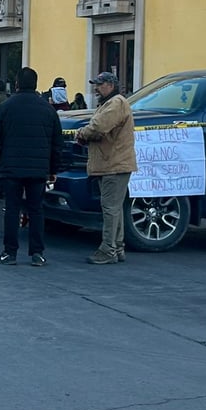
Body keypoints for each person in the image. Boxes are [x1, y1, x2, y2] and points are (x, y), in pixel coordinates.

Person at [0, 67, 63, 266]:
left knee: (12, 209)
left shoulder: (6, 106)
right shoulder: (47, 109)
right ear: (36, 84)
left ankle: (10, 252)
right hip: (38, 169)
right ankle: (37, 253)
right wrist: (53, 169)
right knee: (36, 210)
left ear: (17, 84)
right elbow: (57, 143)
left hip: (11, 167)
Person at [75, 71, 138, 265]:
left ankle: (108, 249)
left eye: (100, 84)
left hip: (113, 164)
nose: (96, 88)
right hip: (113, 163)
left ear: (111, 85)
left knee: (110, 208)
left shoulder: (115, 103)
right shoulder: (112, 103)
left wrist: (82, 133)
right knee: (115, 208)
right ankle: (117, 247)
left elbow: (98, 126)